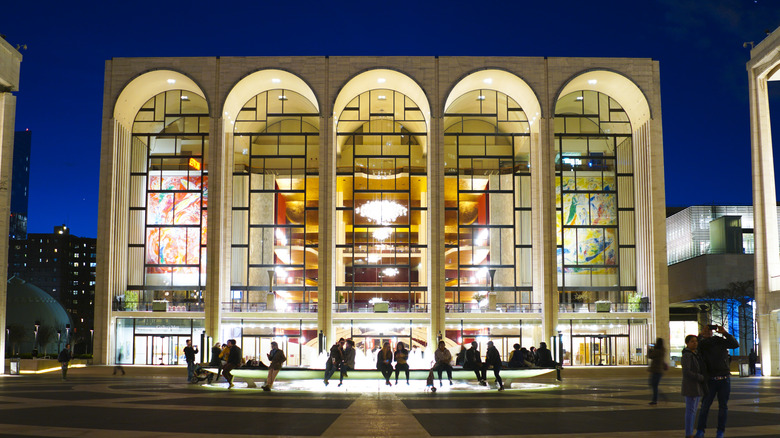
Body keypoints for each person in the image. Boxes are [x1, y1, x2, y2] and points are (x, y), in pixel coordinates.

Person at [695, 325, 739, 438]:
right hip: (710, 379)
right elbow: (695, 348)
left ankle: (720, 432)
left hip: (724, 379)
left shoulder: (719, 340)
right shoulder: (702, 343)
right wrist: (701, 335)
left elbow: (735, 344)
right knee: (705, 406)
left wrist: (724, 333)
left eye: (710, 329)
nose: (709, 331)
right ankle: (700, 431)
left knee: (723, 406)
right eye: (706, 329)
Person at [681, 334, 706, 438]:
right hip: (691, 386)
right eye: (692, 341)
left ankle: (690, 432)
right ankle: (689, 433)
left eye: (696, 341)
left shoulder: (695, 354)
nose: (695, 343)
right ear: (687, 343)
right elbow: (686, 371)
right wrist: (699, 377)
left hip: (696, 385)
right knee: (691, 411)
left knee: (693, 410)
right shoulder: (687, 355)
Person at [647, 337, 667, 405]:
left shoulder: (657, 351)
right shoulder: (662, 350)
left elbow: (650, 356)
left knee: (653, 385)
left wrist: (650, 350)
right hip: (659, 370)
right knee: (654, 385)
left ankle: (655, 399)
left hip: (656, 370)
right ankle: (658, 397)